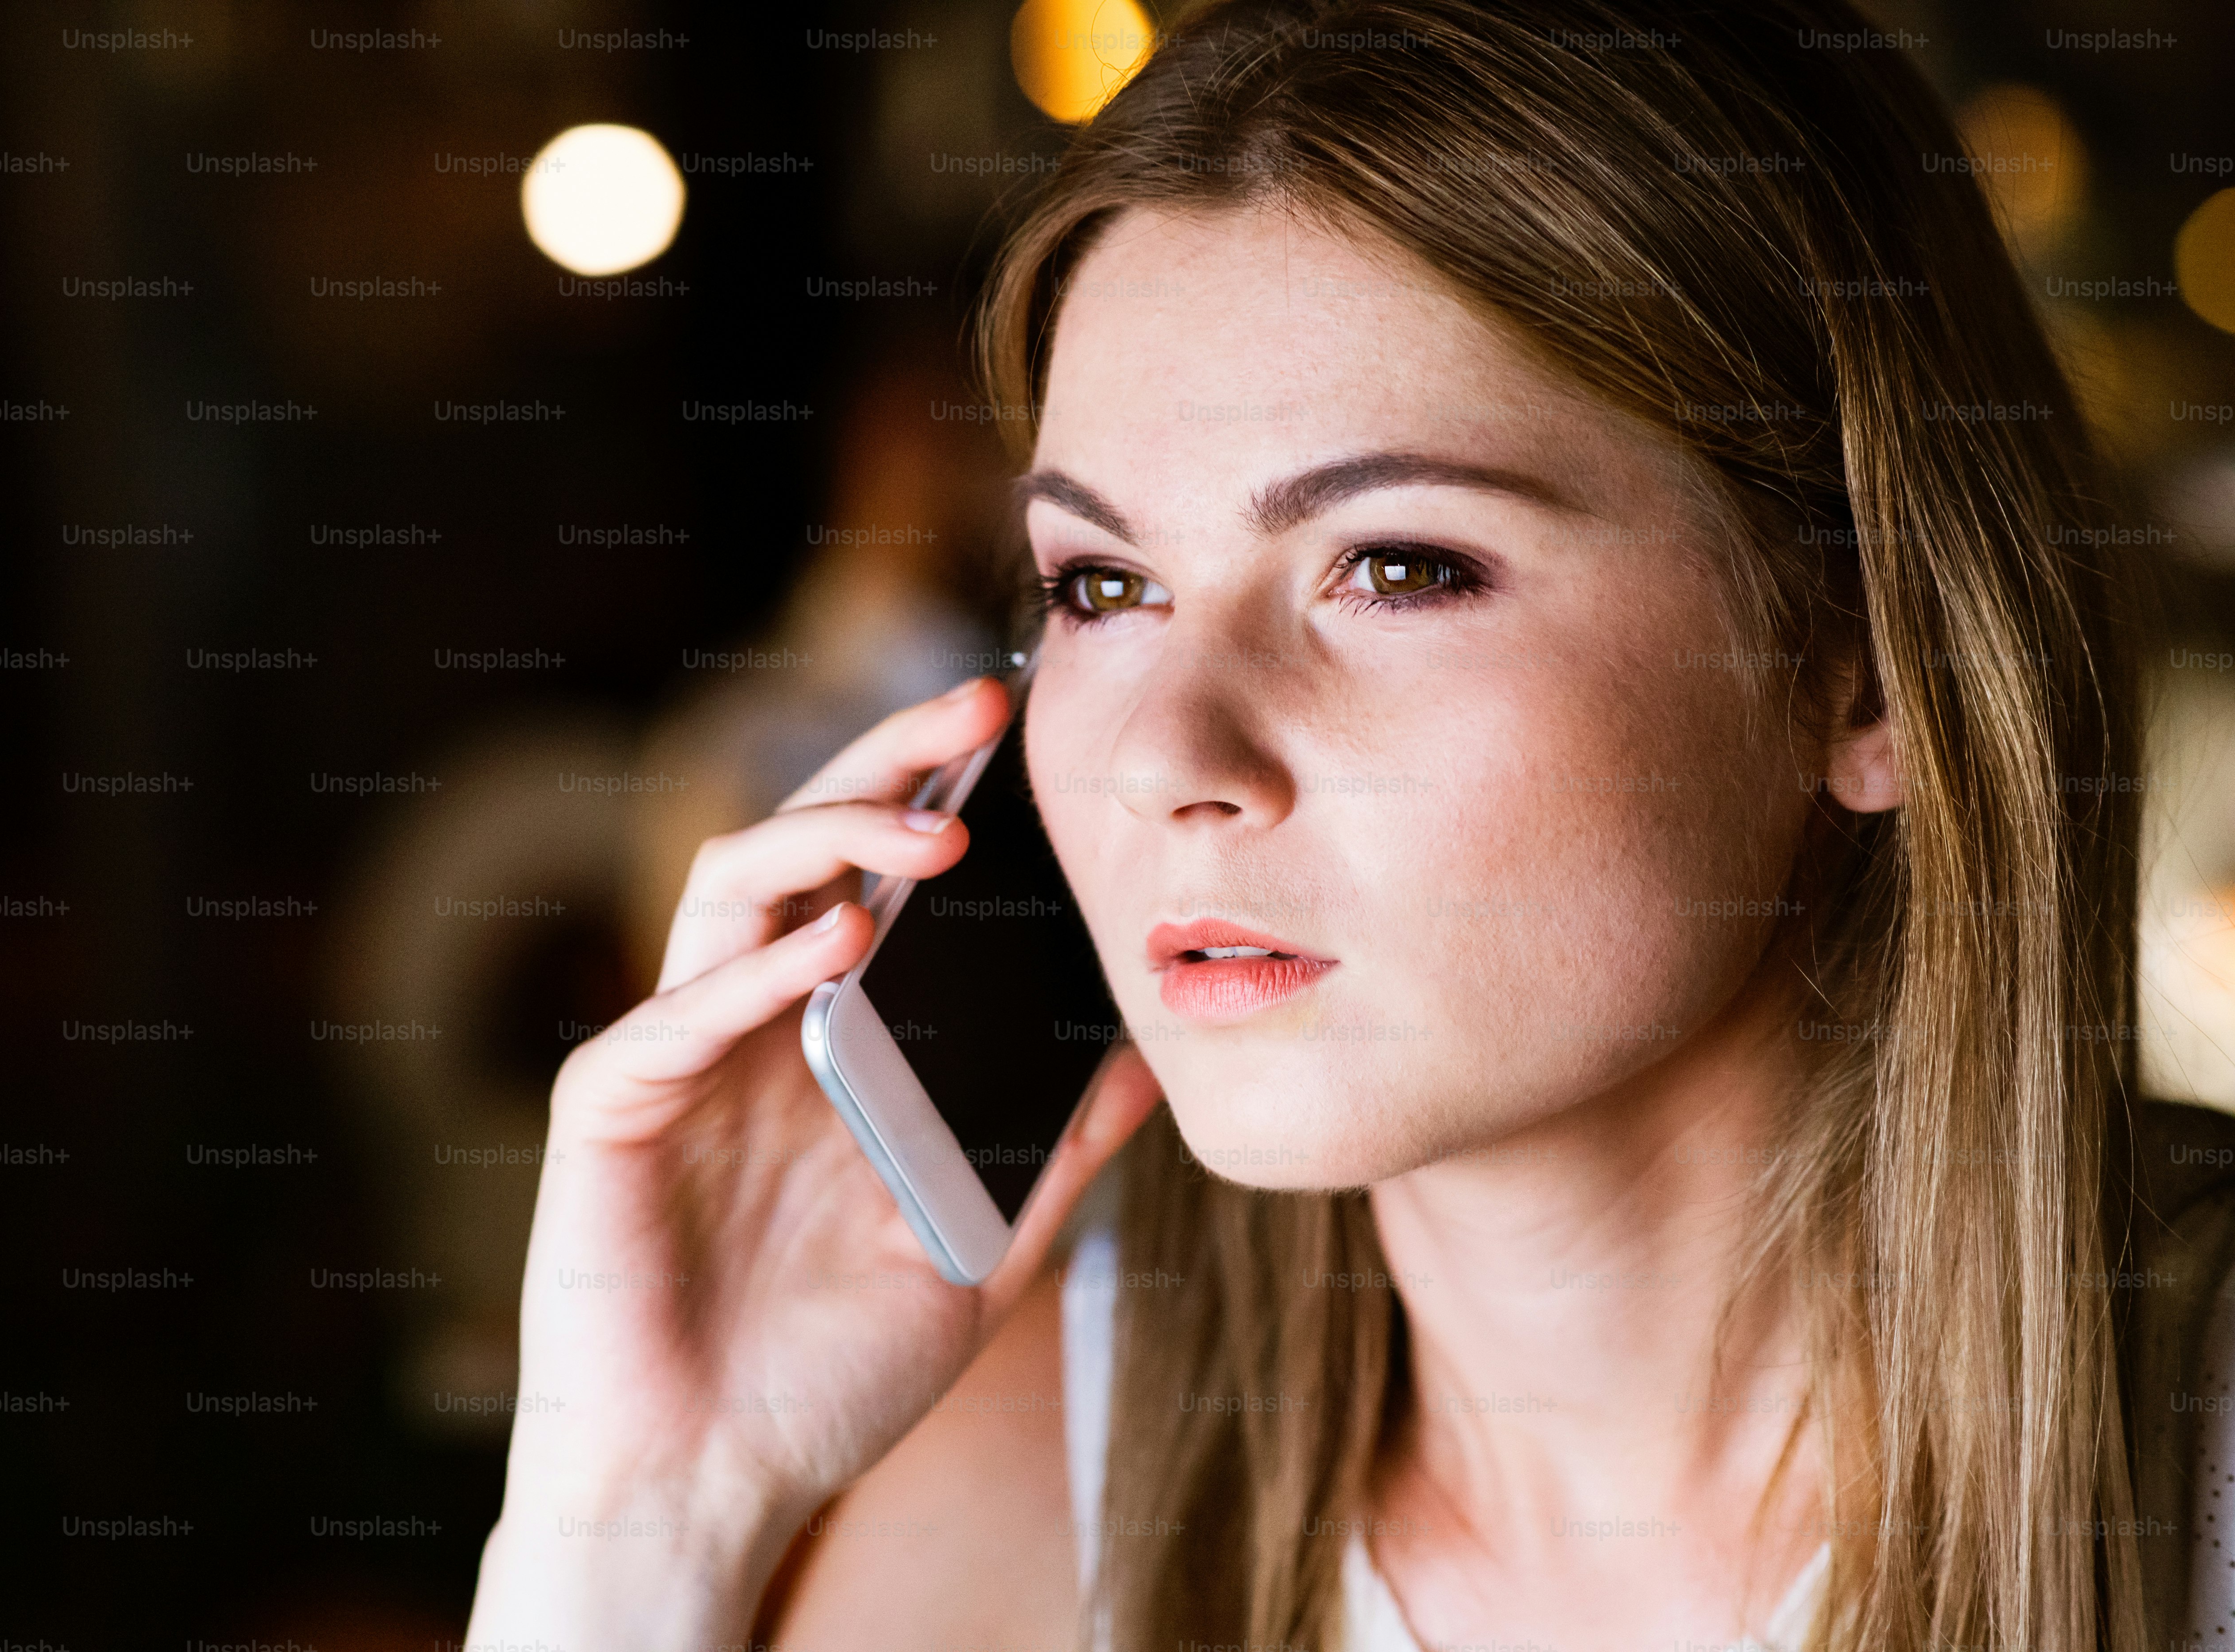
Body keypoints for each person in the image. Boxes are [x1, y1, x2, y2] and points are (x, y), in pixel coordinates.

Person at [466, 2, 2235, 1648]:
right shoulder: (1015, 1512)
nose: (1168, 754)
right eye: (1100, 584)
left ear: (1872, 673)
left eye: (1396, 567)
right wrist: (642, 1518)